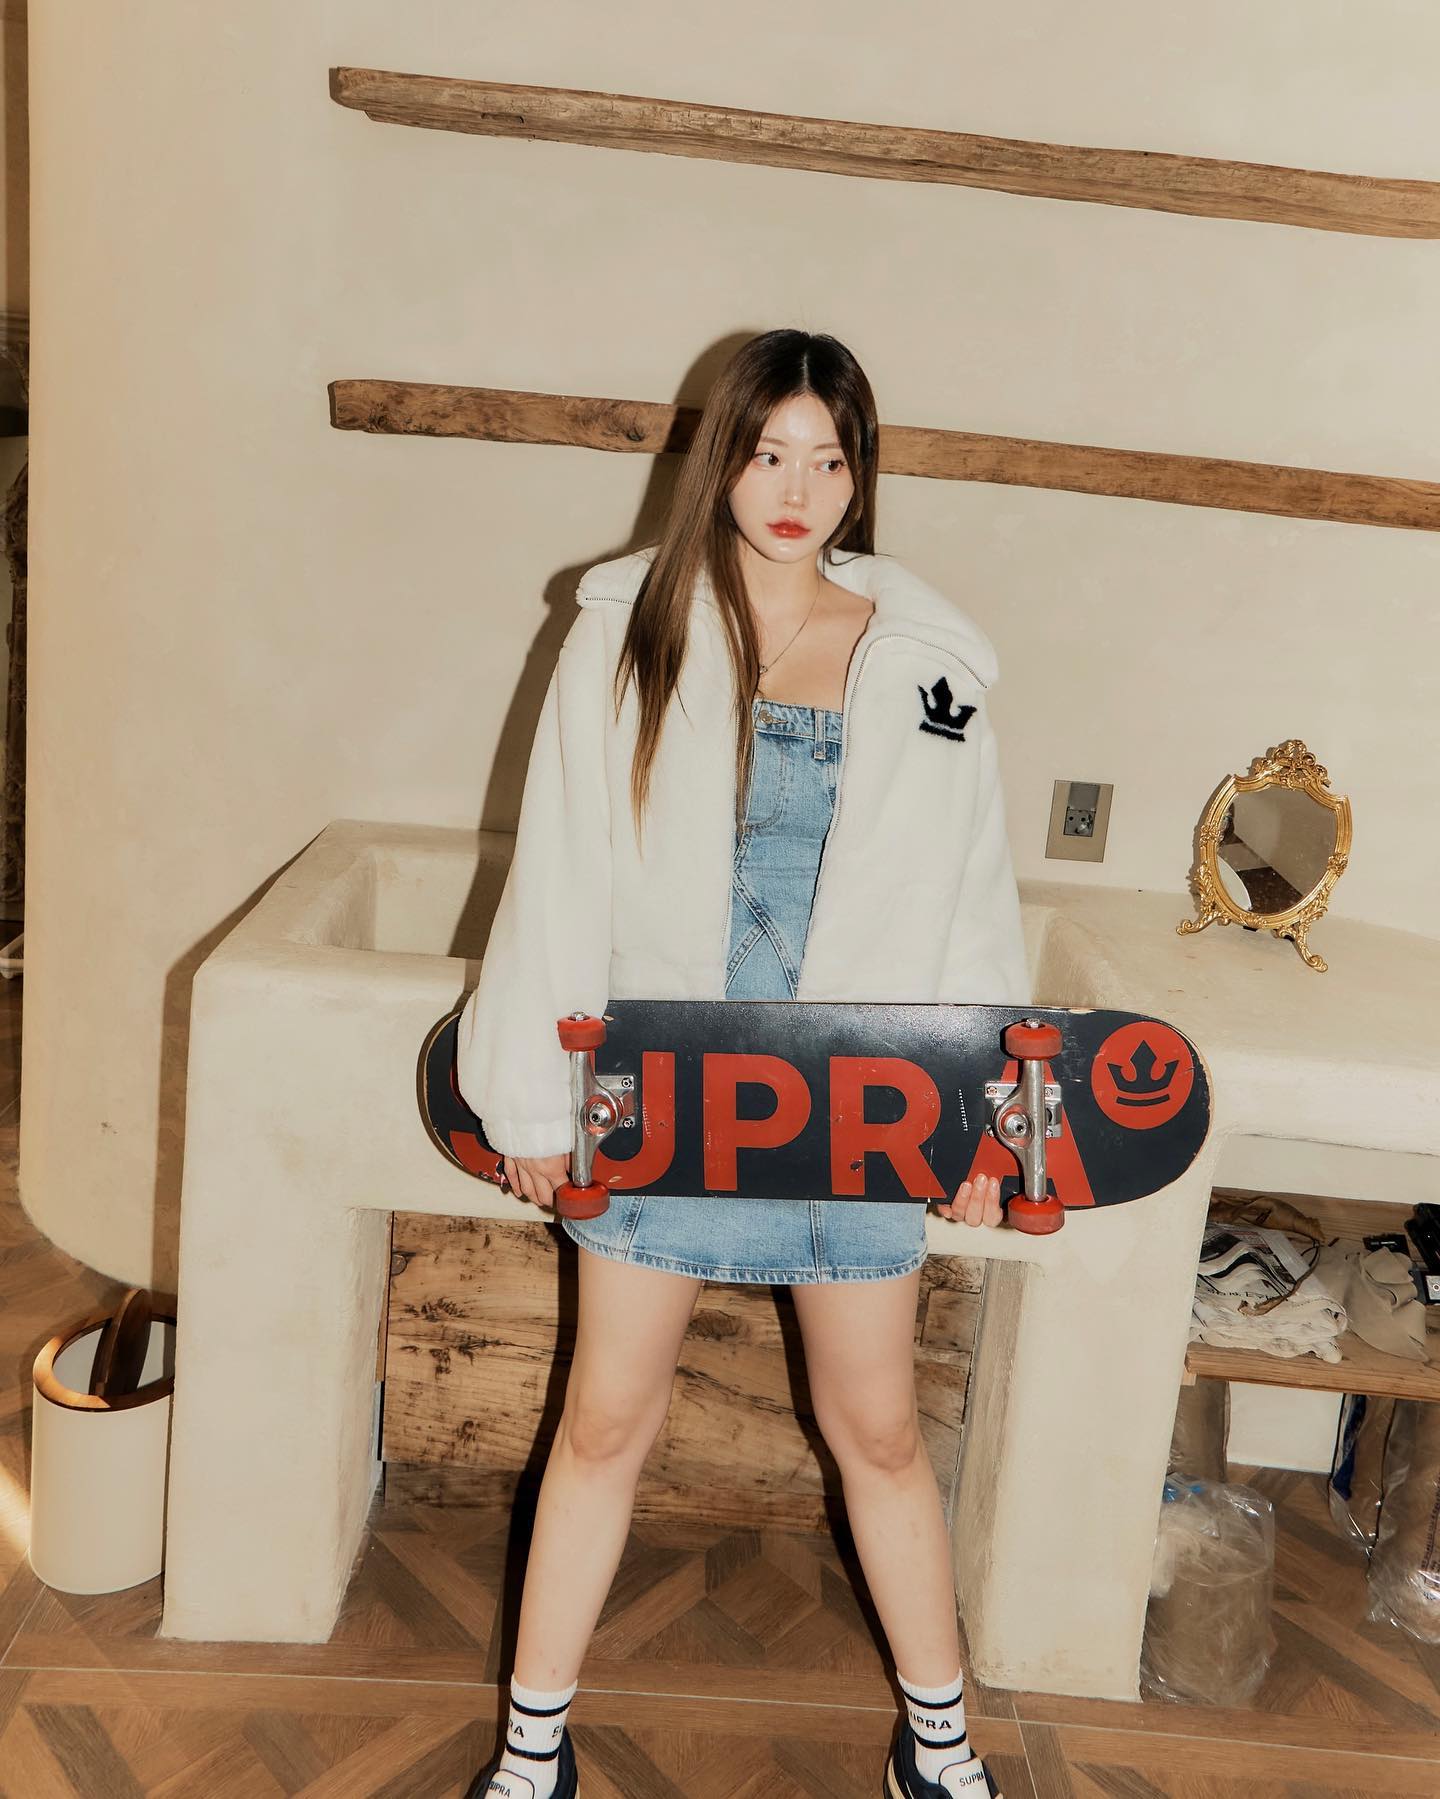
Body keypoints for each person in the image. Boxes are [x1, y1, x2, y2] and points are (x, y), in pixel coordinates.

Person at [456, 330, 1026, 1799]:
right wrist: (532, 1099)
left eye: (829, 459)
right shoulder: (629, 627)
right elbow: (559, 867)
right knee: (603, 1420)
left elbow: (972, 904)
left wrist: (985, 1123)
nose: (796, 489)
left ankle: (940, 1749)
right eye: (770, 452)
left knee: (880, 1433)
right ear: (720, 459)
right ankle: (533, 1751)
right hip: (662, 1093)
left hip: (858, 1104)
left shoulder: (931, 664)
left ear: (861, 475)